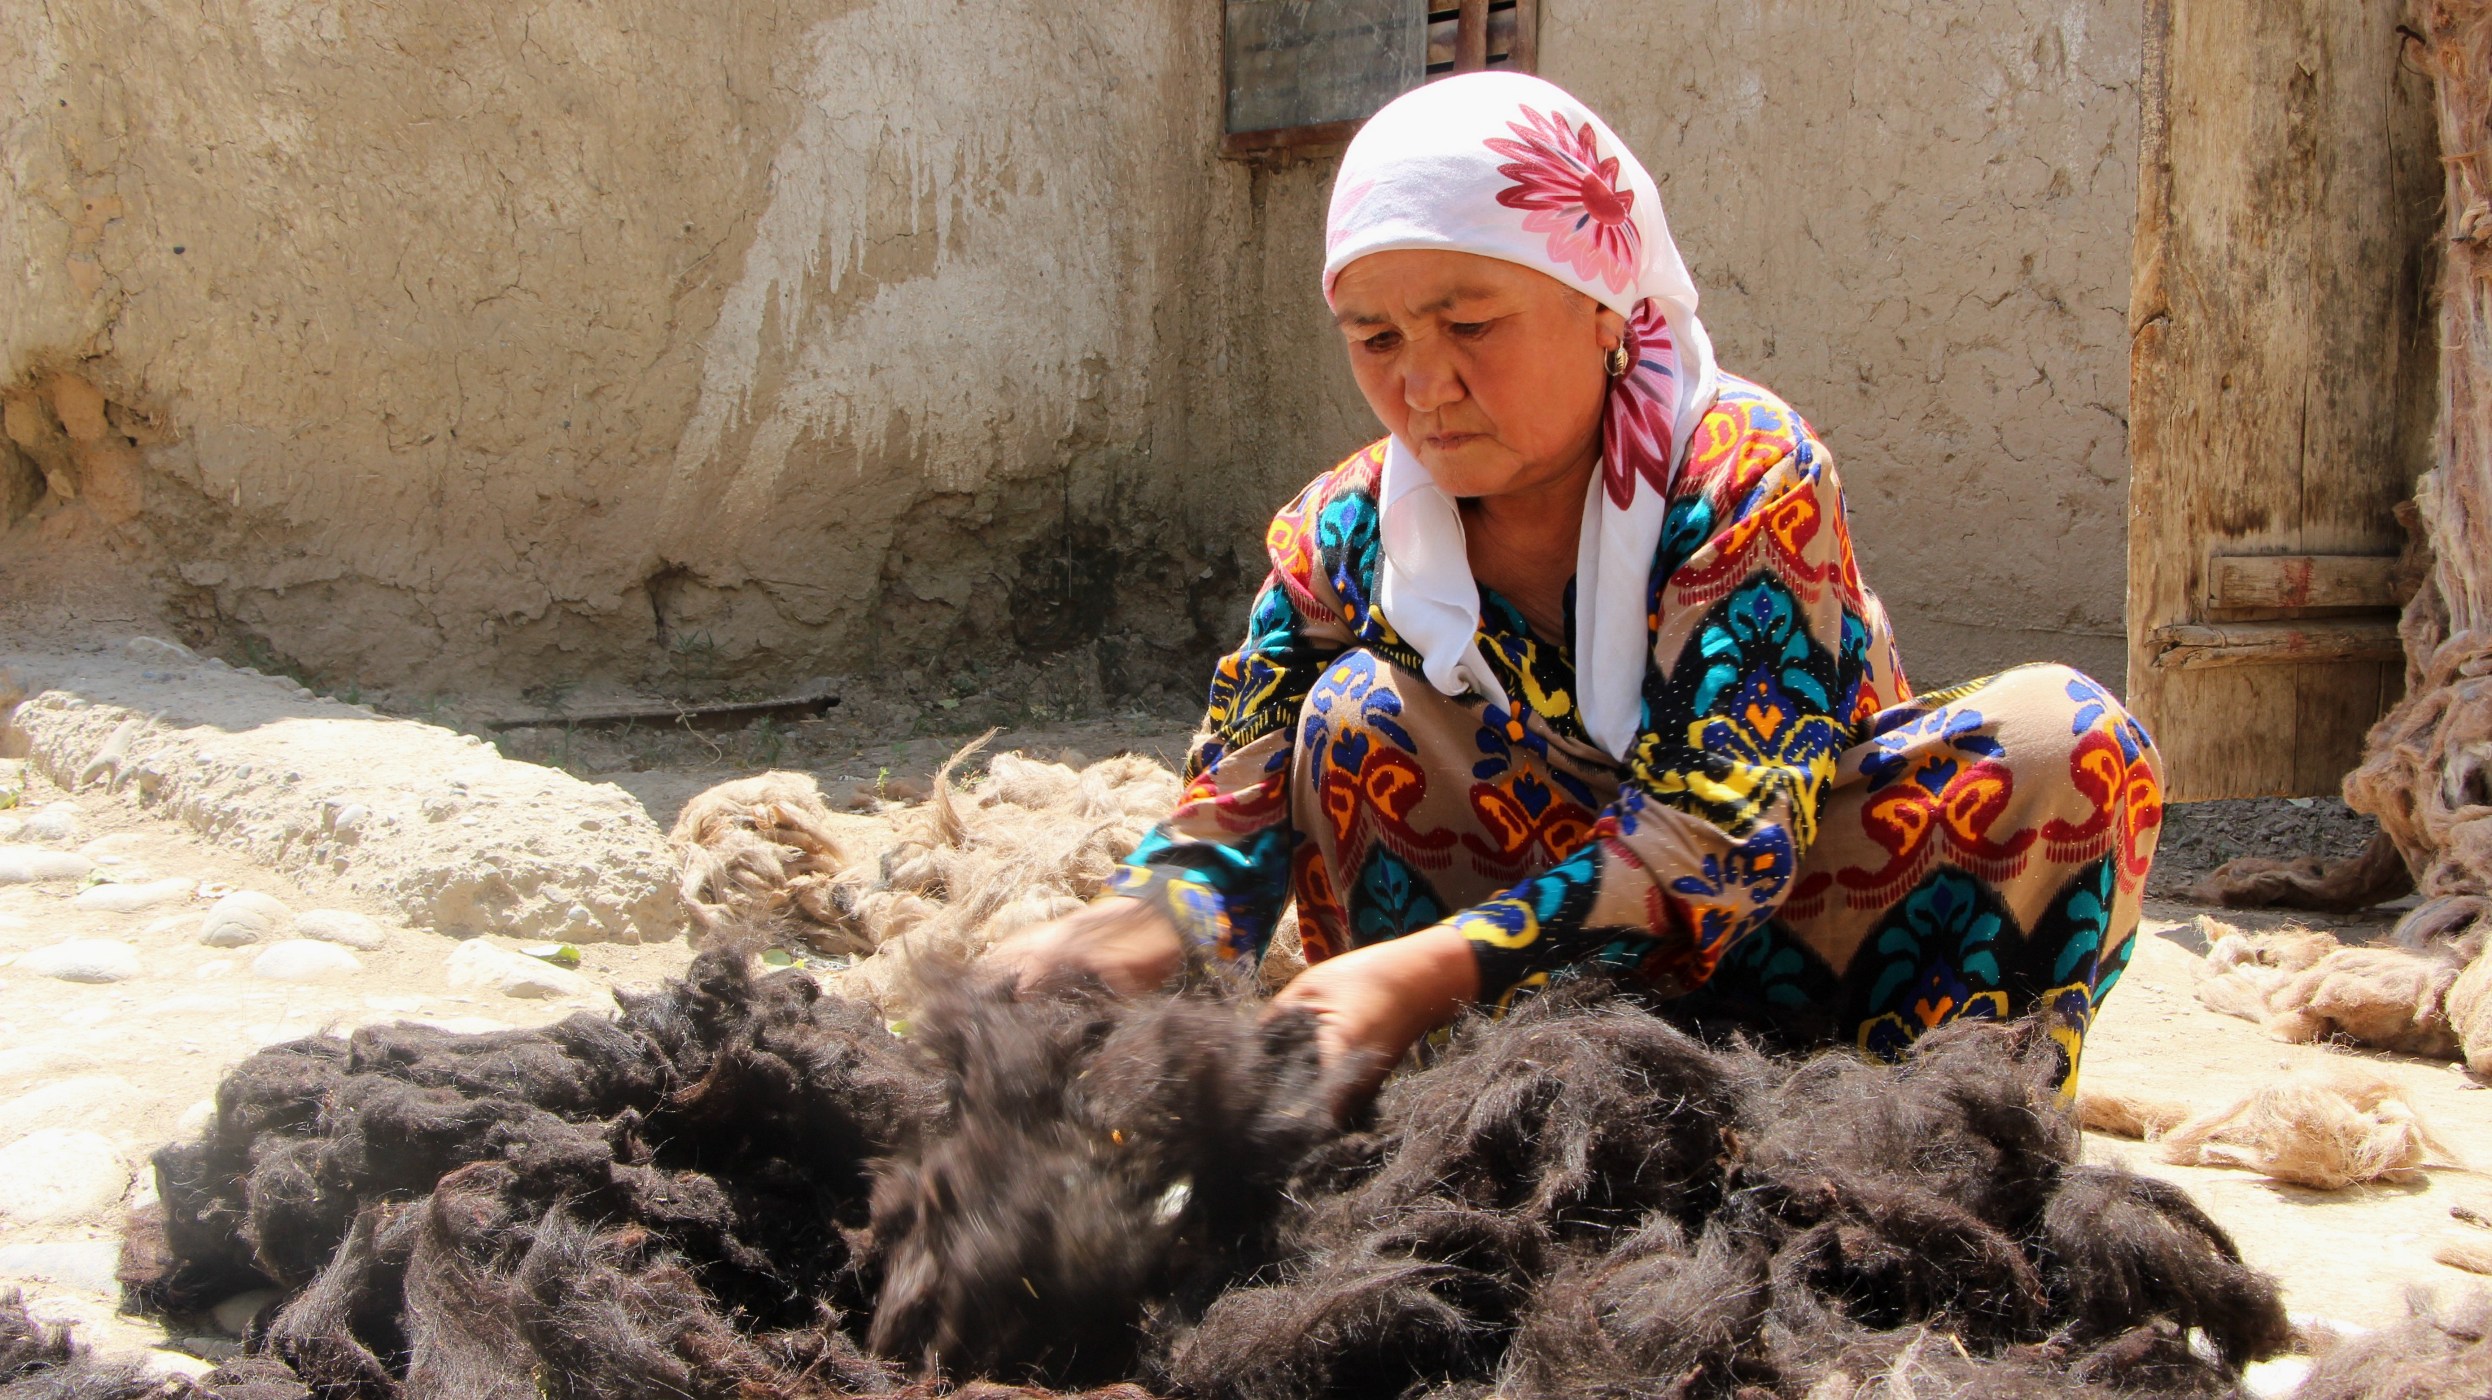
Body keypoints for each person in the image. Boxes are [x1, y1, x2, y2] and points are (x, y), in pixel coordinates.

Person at [1002, 71, 2161, 1099]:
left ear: (1603, 308)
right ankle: (1457, 1123)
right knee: (1353, 716)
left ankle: (1915, 1135)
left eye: (1468, 322)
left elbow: (1722, 831)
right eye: (1374, 338)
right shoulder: (1339, 536)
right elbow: (1230, 823)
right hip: (1520, 1025)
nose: (1423, 384)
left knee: (2067, 741)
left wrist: (1426, 971)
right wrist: (1128, 932)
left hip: (1800, 944)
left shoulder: (1745, 473)